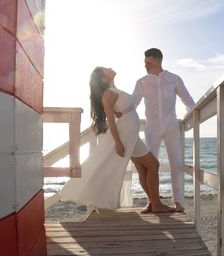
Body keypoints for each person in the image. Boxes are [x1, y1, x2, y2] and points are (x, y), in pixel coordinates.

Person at [56, 66, 174, 213]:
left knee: (144, 169)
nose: (110, 68)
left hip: (130, 134)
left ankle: (153, 203)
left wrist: (122, 112)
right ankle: (156, 204)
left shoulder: (114, 90)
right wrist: (118, 142)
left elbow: (121, 110)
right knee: (153, 165)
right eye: (106, 69)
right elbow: (110, 120)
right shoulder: (108, 94)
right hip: (125, 135)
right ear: (103, 78)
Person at [133, 48, 195, 213]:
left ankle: (179, 202)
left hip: (171, 127)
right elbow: (132, 105)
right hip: (151, 129)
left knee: (176, 165)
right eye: (145, 63)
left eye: (149, 63)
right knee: (149, 168)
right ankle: (152, 202)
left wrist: (198, 117)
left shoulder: (174, 79)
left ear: (158, 61)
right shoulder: (141, 82)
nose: (146, 66)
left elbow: (188, 100)